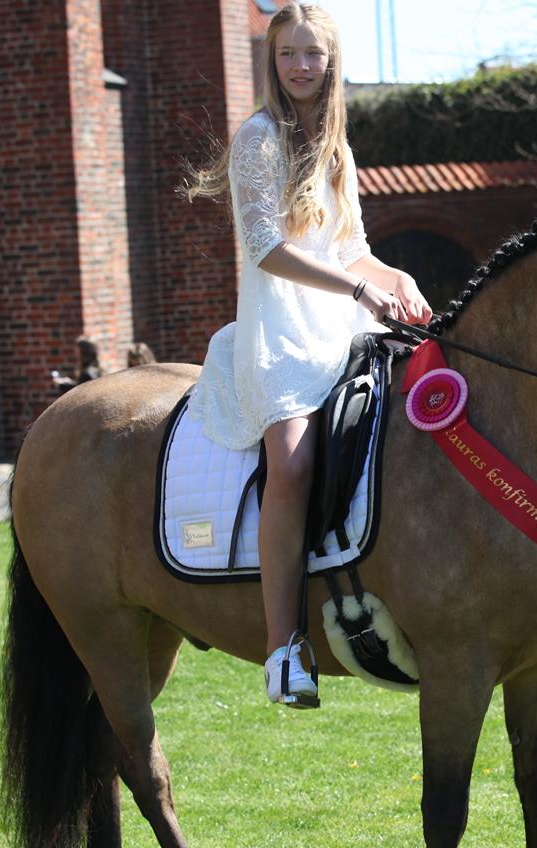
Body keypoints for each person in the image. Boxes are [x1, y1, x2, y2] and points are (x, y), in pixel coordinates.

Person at [185, 2, 432, 708]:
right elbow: (268, 249)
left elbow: (350, 245)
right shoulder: (257, 140)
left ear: (331, 61)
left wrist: (396, 278)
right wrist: (359, 284)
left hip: (344, 323)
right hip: (282, 332)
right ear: (272, 61)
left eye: (312, 54)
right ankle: (281, 650)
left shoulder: (337, 149)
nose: (300, 65)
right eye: (288, 53)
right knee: (290, 463)